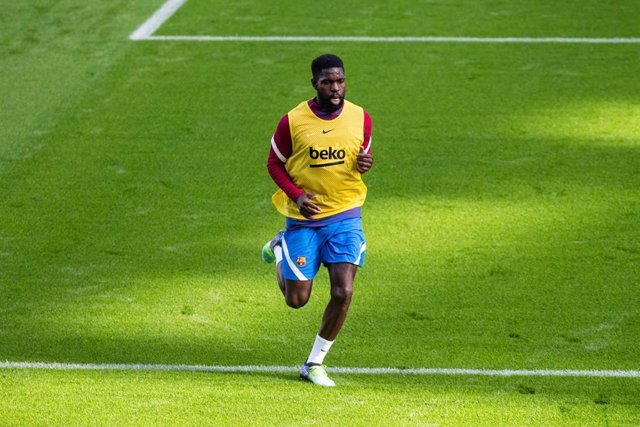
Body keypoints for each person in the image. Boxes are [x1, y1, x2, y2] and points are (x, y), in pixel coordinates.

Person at [261, 54, 374, 387]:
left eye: (340, 80)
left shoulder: (360, 117)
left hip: (345, 214)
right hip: (304, 219)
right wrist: (296, 196)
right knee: (296, 300)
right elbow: (274, 164)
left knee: (343, 291)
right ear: (315, 84)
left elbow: (359, 158)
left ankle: (314, 363)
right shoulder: (293, 121)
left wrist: (365, 164)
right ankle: (280, 247)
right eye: (327, 81)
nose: (335, 87)